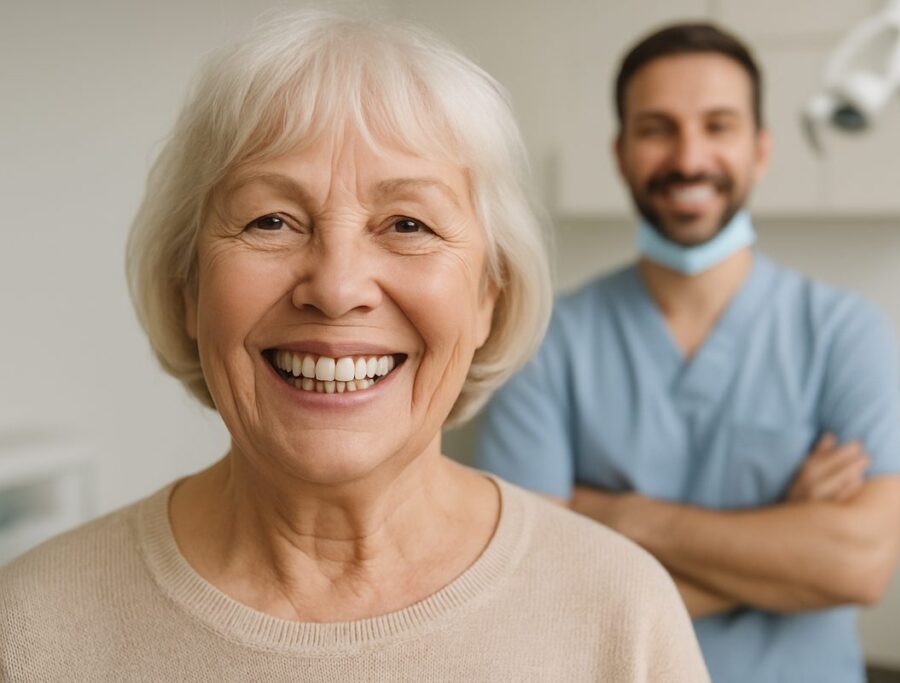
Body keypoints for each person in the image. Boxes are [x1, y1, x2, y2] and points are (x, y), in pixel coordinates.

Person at [0, 12, 710, 682]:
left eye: (407, 223)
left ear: (491, 292)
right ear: (187, 287)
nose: (337, 287)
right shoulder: (33, 627)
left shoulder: (619, 611)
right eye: (271, 220)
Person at [475, 22, 900, 683]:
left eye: (718, 126)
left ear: (760, 149)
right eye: (657, 128)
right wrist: (786, 541)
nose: (689, 157)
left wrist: (612, 515)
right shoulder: (543, 338)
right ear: (621, 152)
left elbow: (858, 564)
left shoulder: (844, 331)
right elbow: (531, 587)